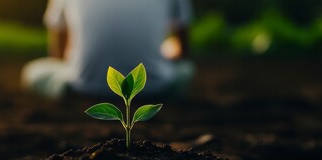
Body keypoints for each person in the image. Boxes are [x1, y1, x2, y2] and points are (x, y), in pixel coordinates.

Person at [21, 0, 194, 98]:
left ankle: (71, 92)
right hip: (154, 88)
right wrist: (165, 50)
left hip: (85, 88)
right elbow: (183, 50)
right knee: (186, 68)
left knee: (34, 70)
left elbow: (58, 55)